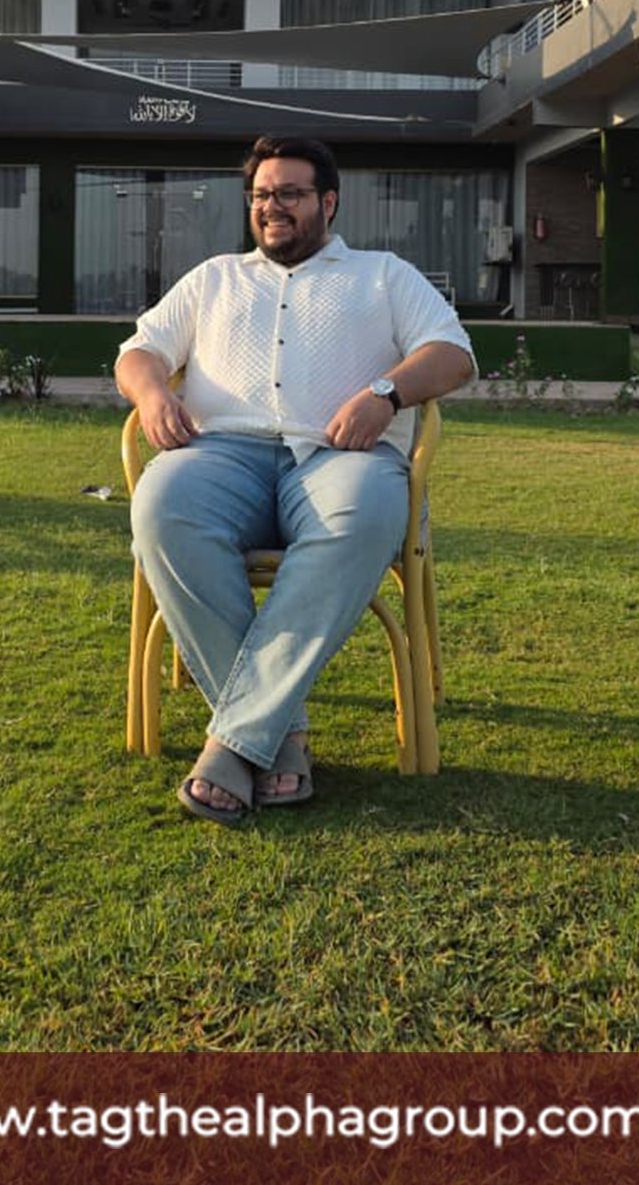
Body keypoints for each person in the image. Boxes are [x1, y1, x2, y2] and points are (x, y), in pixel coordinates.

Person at [116, 135, 475, 825]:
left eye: (289, 193)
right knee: (161, 505)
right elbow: (139, 351)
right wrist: (153, 393)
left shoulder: (383, 275)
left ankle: (236, 741)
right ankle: (278, 735)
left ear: (327, 202)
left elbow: (452, 353)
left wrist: (385, 394)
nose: (271, 206)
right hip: (222, 455)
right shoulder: (214, 277)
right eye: (260, 195)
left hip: (345, 457)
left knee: (364, 515)